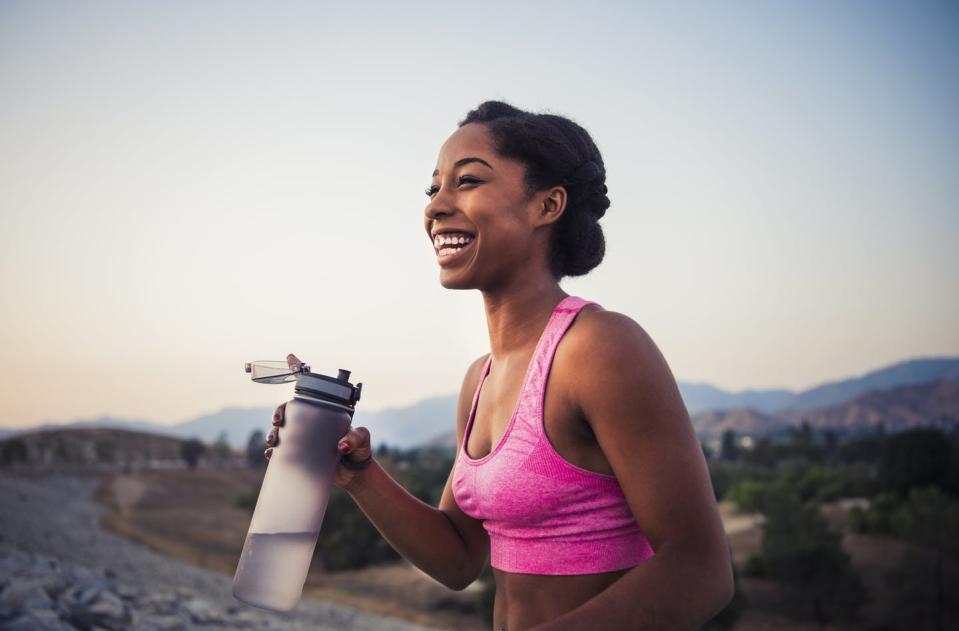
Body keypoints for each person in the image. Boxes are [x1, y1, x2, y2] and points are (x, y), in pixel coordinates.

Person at [266, 101, 734, 630]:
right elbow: (460, 558)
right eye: (433, 188)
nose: (436, 207)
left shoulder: (600, 349)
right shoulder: (480, 378)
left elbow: (700, 571)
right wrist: (359, 475)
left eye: (466, 181)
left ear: (547, 205)